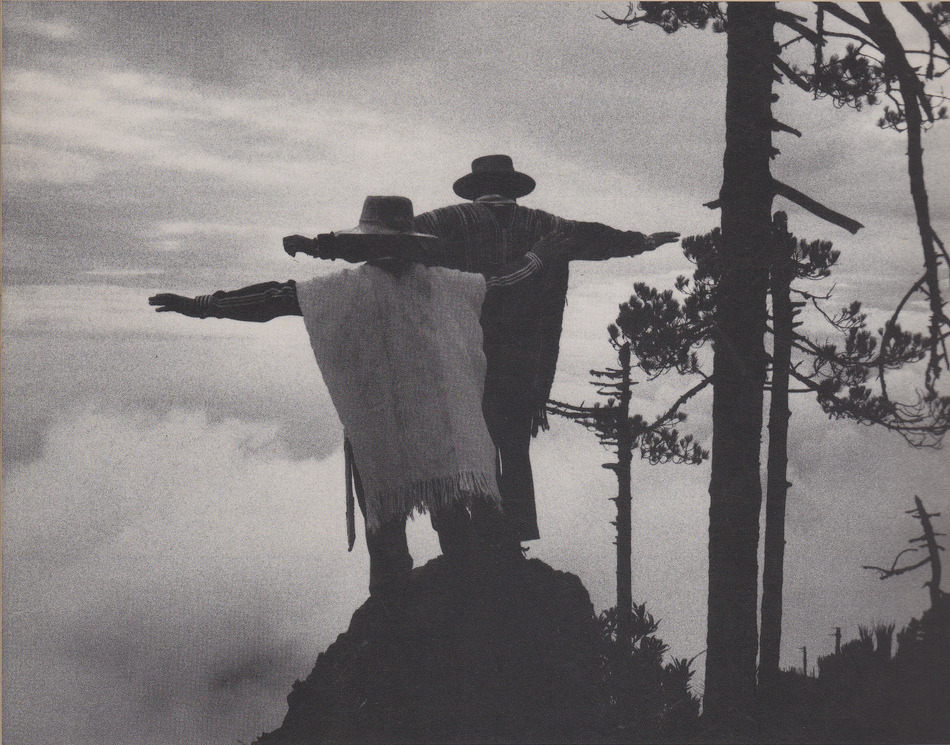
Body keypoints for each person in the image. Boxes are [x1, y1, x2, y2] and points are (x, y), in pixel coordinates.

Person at [151, 196, 574, 596]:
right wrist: (540, 255)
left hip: (378, 427)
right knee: (451, 518)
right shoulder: (442, 285)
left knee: (387, 525)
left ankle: (394, 612)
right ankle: (461, 603)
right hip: (437, 425)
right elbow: (504, 281)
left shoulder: (347, 290)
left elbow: (274, 298)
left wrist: (203, 305)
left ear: (366, 242)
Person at [284, 155, 680, 548]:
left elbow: (385, 240)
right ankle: (512, 536)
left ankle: (480, 533)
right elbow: (598, 238)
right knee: (514, 446)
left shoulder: (448, 222)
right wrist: (641, 242)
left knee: (472, 442)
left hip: (460, 351)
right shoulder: (545, 226)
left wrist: (319, 246)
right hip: (524, 358)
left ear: (474, 190)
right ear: (514, 188)